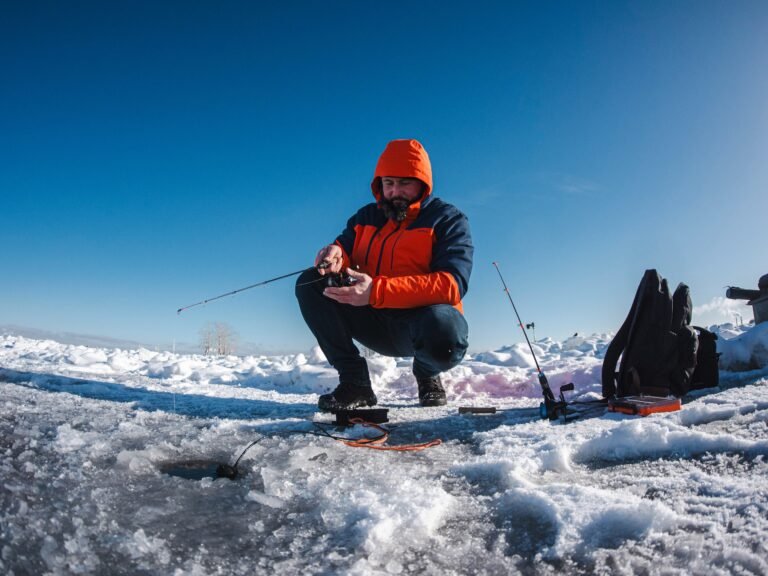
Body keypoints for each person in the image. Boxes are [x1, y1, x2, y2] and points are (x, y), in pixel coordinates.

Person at [295, 139, 473, 412]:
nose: (394, 191)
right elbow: (345, 250)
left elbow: (452, 285)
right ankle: (355, 383)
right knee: (310, 282)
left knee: (445, 332)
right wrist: (335, 254)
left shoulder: (447, 219)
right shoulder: (365, 217)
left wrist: (376, 291)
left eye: (404, 183)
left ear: (422, 184)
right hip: (370, 319)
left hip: (420, 325)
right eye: (388, 183)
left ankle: (426, 373)